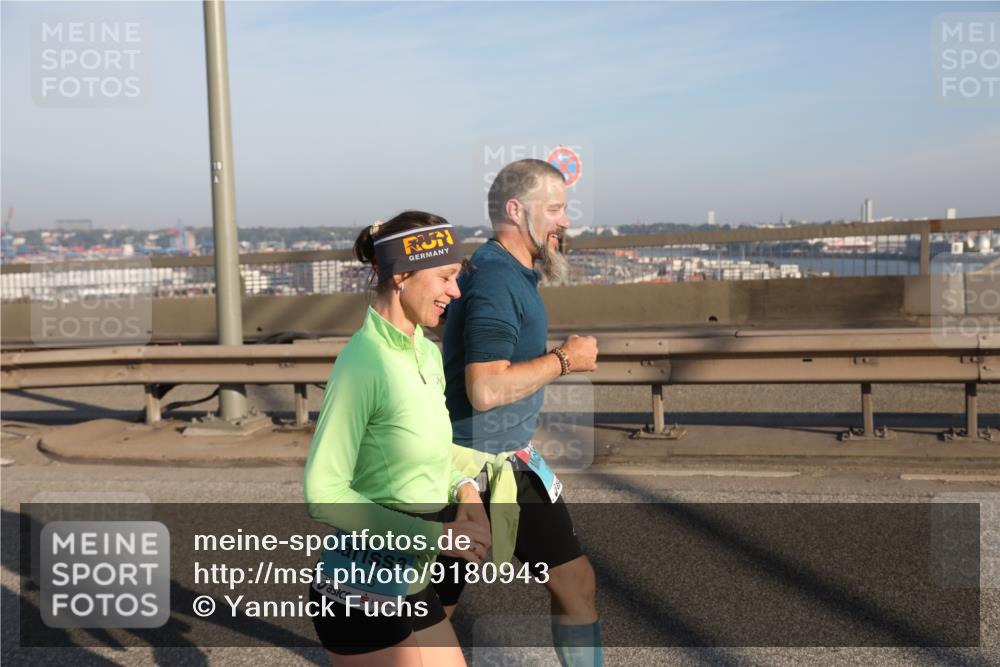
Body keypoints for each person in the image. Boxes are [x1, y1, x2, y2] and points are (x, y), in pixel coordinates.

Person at [304, 211, 492, 666]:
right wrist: (435, 537)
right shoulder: (363, 364)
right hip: (361, 591)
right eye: (446, 276)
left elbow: (426, 448)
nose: (457, 291)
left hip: (411, 579)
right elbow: (322, 493)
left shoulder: (426, 352)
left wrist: (464, 488)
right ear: (402, 274)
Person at [439, 159, 603, 666]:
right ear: (516, 210)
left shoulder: (506, 272)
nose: (565, 221)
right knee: (431, 607)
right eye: (554, 209)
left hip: (507, 460)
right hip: (470, 468)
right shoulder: (496, 280)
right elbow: (484, 388)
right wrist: (565, 360)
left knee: (575, 583)